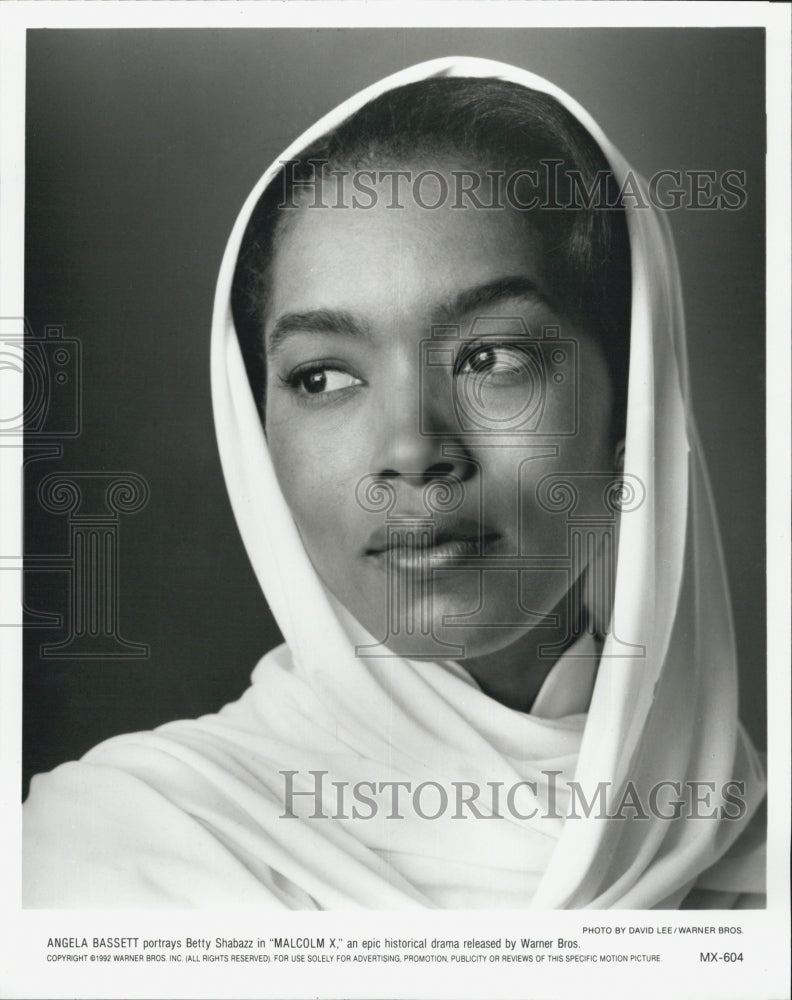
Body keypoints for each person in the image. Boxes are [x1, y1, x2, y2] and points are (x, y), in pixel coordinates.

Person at [23, 56, 765, 909]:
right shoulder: (117, 850)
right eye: (323, 378)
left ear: (634, 403)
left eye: (493, 359)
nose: (413, 450)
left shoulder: (754, 860)